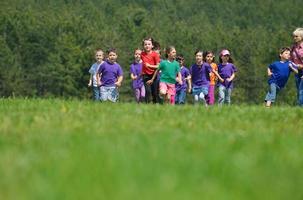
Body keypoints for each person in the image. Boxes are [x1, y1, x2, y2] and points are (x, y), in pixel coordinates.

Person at [140, 37, 161, 103]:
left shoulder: (155, 55)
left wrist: (149, 66)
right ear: (143, 46)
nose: (147, 46)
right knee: (148, 91)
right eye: (145, 44)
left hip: (154, 75)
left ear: (152, 46)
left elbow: (158, 66)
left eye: (149, 44)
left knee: (154, 93)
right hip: (145, 75)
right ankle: (147, 105)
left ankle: (155, 105)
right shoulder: (142, 54)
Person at [290, 28, 303, 106]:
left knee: (301, 90)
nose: (294, 38)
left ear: (301, 37)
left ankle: (300, 109)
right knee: (299, 90)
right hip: (297, 72)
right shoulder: (293, 48)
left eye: (296, 36)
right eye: (293, 36)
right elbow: (291, 59)